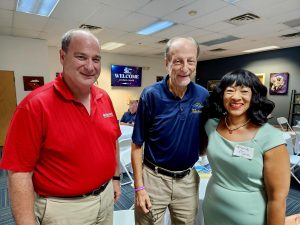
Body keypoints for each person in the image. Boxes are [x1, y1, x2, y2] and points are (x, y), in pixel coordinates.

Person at [0, 29, 122, 225]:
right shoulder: (35, 105)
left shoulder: (104, 98)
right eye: (81, 57)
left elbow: (112, 140)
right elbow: (19, 173)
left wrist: (115, 178)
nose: (90, 66)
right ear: (62, 56)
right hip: (64, 210)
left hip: (105, 198)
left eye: (96, 59)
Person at [131, 37, 209, 225]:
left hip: (188, 180)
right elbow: (136, 145)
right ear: (167, 63)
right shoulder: (151, 95)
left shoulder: (203, 95)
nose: (185, 67)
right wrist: (139, 188)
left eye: (190, 61)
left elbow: (208, 132)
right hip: (153, 179)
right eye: (178, 61)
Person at [203, 69, 290, 225]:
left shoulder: (270, 138)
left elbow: (278, 198)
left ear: (254, 96)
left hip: (249, 216)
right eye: (229, 91)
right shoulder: (211, 126)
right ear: (222, 95)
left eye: (244, 91)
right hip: (213, 208)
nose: (236, 97)